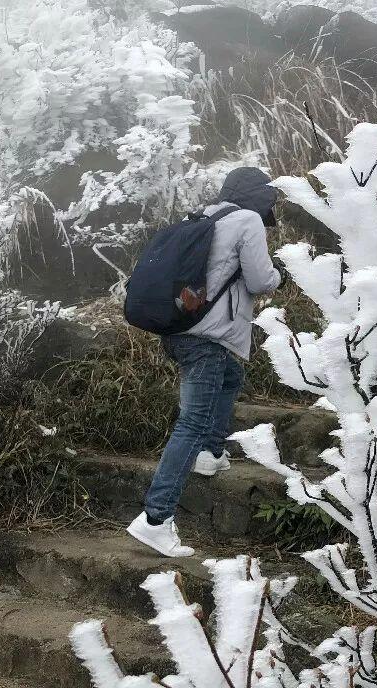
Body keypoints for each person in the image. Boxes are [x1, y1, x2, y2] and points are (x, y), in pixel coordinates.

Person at [126, 167, 283, 557]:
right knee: (192, 422)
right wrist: (280, 274)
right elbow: (262, 280)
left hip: (179, 331)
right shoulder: (246, 220)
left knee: (230, 377)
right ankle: (156, 519)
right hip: (207, 338)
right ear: (261, 199)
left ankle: (211, 453)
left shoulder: (202, 216)